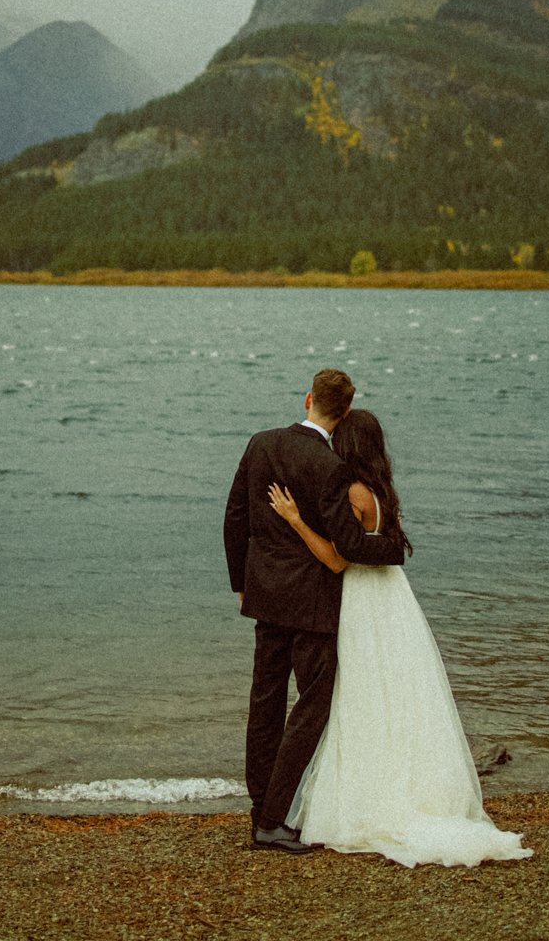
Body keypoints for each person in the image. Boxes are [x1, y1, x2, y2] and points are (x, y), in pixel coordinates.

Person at [265, 408, 531, 868]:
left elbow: (337, 560)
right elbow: (383, 546)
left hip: (363, 600)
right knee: (397, 692)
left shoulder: (352, 491)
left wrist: (294, 519)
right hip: (393, 598)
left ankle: (365, 799)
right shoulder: (382, 491)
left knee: (360, 695)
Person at [223, 369, 405, 853]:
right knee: (311, 707)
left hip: (264, 596)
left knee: (264, 704)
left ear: (307, 399)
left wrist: (240, 584)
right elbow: (347, 545)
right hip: (312, 604)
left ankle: (260, 809)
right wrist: (393, 550)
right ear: (345, 412)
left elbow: (235, 516)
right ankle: (272, 818)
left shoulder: (259, 443)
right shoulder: (331, 468)